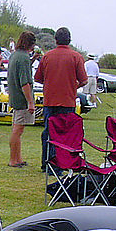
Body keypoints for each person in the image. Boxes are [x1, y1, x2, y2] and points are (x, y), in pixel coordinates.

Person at [35, 26, 87, 169]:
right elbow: (84, 80)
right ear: (69, 40)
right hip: (67, 102)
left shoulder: (47, 56)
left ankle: (47, 163)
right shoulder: (76, 57)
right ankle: (63, 163)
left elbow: (38, 78)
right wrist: (72, 87)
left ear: (56, 40)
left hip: (50, 101)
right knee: (65, 134)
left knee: (48, 132)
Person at [7, 31, 37, 168]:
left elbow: (21, 70)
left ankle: (18, 158)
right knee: (17, 130)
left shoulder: (15, 55)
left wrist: (33, 60)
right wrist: (30, 102)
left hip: (14, 96)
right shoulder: (23, 58)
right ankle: (13, 160)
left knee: (18, 129)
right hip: (22, 99)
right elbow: (25, 82)